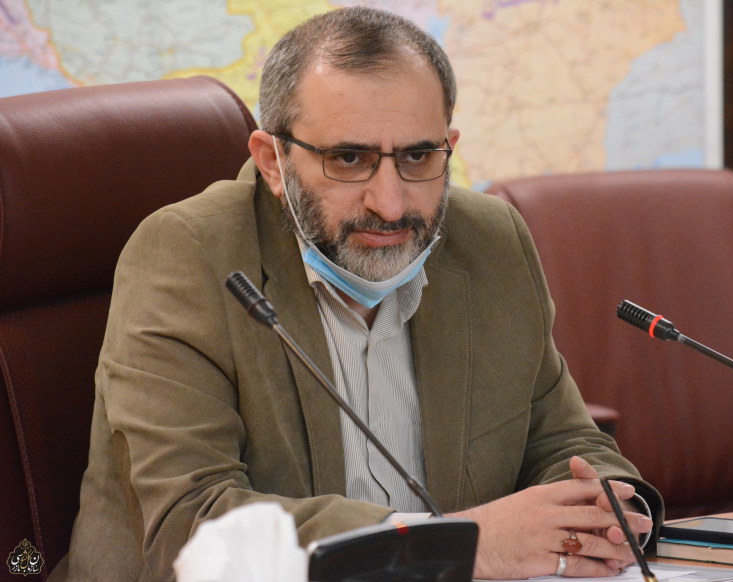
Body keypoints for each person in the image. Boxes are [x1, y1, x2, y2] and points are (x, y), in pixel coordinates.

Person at [55, 6, 663, 581]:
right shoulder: (190, 255)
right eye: (349, 159)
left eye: (418, 156)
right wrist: (458, 544)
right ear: (272, 161)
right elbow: (191, 525)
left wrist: (608, 511)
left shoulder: (490, 240)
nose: (391, 204)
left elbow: (562, 439)